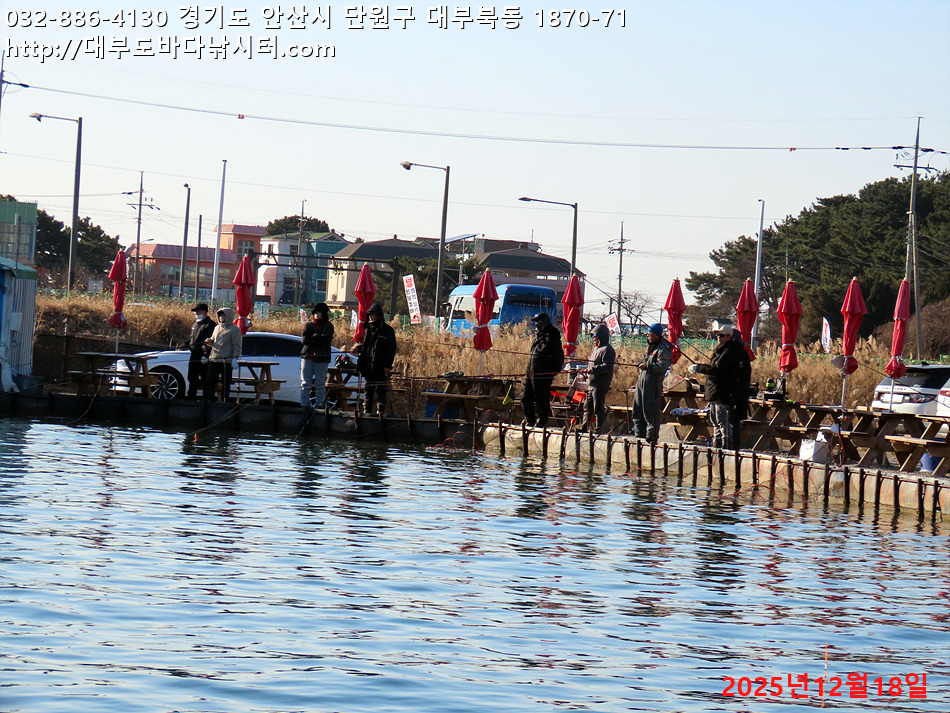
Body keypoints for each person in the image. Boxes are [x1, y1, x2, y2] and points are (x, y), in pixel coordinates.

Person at [689, 324, 745, 449]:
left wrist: (698, 368)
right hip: (715, 392)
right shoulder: (721, 351)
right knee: (715, 422)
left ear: (729, 336)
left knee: (722, 422)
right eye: (717, 335)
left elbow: (717, 370)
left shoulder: (730, 352)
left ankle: (726, 448)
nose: (718, 337)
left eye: (721, 335)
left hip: (722, 393)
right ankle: (717, 446)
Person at [632, 322, 673, 443]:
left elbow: (662, 366)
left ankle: (651, 438)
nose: (648, 336)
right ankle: (639, 435)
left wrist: (647, 366)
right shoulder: (650, 347)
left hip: (652, 386)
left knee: (650, 411)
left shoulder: (663, 349)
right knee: (638, 409)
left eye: (650, 334)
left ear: (656, 335)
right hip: (642, 383)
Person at [522, 312, 564, 428]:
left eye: (538, 321)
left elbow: (559, 357)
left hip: (543, 374)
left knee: (541, 398)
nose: (536, 324)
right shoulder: (538, 335)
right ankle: (529, 420)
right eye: (535, 322)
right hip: (530, 372)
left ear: (545, 322)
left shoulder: (552, 335)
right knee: (525, 397)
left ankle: (541, 421)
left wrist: (551, 373)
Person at [356, 303, 397, 416]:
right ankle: (367, 410)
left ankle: (380, 411)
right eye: (369, 315)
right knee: (368, 388)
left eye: (373, 314)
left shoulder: (388, 330)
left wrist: (388, 365)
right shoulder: (368, 330)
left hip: (381, 365)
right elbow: (366, 347)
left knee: (381, 388)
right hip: (369, 365)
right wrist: (358, 349)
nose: (370, 317)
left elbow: (391, 349)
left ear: (379, 315)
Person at [581, 323, 616, 433]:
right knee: (587, 408)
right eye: (592, 336)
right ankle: (583, 428)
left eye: (594, 336)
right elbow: (591, 365)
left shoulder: (608, 350)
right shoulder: (595, 349)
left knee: (598, 408)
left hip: (600, 384)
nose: (593, 338)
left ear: (601, 336)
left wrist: (594, 370)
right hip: (591, 384)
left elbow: (608, 367)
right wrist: (585, 373)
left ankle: (599, 430)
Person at [204, 307, 243, 402]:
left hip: (226, 361)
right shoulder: (217, 328)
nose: (221, 317)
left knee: (225, 382)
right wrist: (209, 341)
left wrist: (235, 358)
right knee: (210, 380)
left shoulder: (234, 330)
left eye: (223, 315)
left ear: (228, 316)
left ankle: (224, 400)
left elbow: (237, 345)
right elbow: (214, 342)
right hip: (214, 359)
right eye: (220, 315)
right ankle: (209, 399)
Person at [300, 302, 334, 409]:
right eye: (315, 312)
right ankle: (304, 405)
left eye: (319, 312)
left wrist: (315, 338)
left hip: (322, 358)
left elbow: (327, 339)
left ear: (324, 314)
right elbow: (305, 340)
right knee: (305, 383)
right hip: (307, 357)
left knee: (320, 384)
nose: (316, 314)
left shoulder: (329, 326)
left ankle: (320, 405)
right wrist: (319, 338)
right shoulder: (308, 325)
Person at [186, 302, 215, 399]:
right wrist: (182, 346)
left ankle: (206, 399)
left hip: (203, 356)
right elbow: (192, 340)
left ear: (204, 312)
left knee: (204, 378)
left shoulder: (210, 325)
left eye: (198, 311)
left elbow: (211, 342)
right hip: (194, 355)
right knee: (192, 377)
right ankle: (191, 398)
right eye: (195, 312)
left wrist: (206, 355)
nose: (196, 313)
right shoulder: (196, 324)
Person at [730, 328, 753, 448]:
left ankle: (734, 446)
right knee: (735, 420)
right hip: (741, 392)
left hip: (737, 393)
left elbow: (739, 372)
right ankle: (734, 444)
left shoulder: (739, 353)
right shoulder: (742, 353)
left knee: (734, 420)